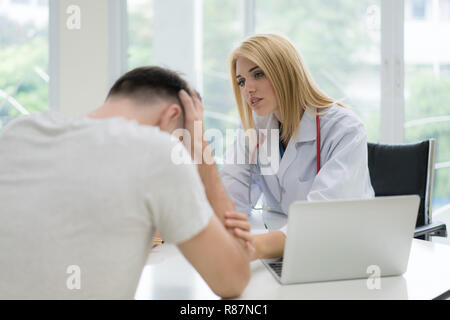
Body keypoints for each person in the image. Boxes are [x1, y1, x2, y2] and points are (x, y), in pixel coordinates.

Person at [0, 66, 253, 299]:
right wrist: (200, 146)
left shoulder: (19, 132)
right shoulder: (158, 151)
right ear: (171, 116)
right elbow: (233, 280)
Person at [221, 34, 375, 260]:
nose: (248, 90)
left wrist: (253, 247)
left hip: (344, 253)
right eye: (241, 81)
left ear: (286, 72)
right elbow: (230, 200)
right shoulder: (256, 127)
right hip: (283, 247)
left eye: (258, 74)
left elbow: (323, 218)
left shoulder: (344, 129)